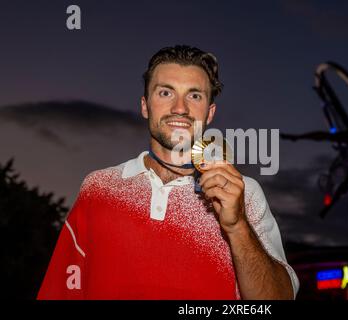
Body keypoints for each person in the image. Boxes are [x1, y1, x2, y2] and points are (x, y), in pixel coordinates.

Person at [37, 45, 299, 300]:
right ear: (145, 106)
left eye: (194, 95)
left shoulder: (244, 193)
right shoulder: (99, 187)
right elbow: (60, 290)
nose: (180, 108)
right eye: (165, 93)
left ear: (209, 114)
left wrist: (237, 226)